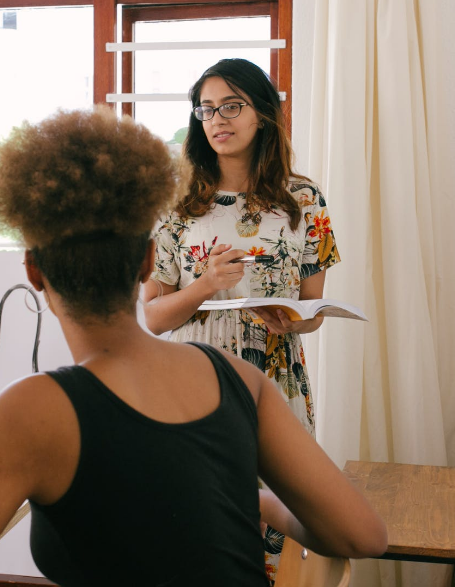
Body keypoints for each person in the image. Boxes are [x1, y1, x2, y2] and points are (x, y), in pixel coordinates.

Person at [0, 108, 386, 587]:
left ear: (34, 272)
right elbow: (364, 535)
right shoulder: (232, 376)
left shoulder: (28, 413)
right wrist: (259, 501)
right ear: (149, 261)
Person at [141, 58, 341, 579]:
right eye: (206, 109)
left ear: (263, 115)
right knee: (192, 531)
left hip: (274, 379)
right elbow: (153, 318)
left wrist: (292, 320)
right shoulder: (175, 205)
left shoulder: (304, 200)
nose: (217, 119)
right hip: (191, 381)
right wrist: (205, 285)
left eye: (232, 105)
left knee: (266, 538)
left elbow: (312, 307)